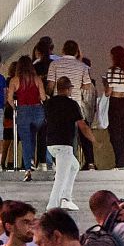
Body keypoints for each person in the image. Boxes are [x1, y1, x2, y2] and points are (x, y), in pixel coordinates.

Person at [42, 78, 95, 211]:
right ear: (68, 89)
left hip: (51, 143)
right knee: (60, 177)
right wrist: (93, 139)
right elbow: (82, 125)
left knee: (74, 166)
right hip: (64, 144)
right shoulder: (72, 104)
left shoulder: (49, 103)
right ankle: (53, 206)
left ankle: (66, 199)